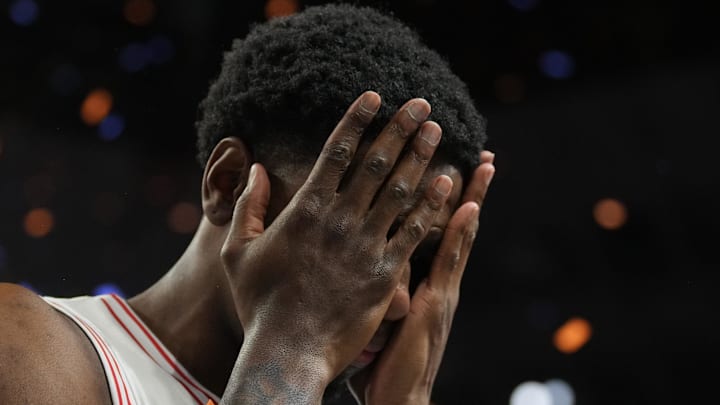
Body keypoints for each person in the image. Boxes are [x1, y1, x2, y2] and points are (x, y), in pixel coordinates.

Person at [0, 4, 495, 404]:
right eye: (355, 231)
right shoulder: (23, 344)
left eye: (420, 258)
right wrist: (296, 347)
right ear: (229, 183)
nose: (398, 296)